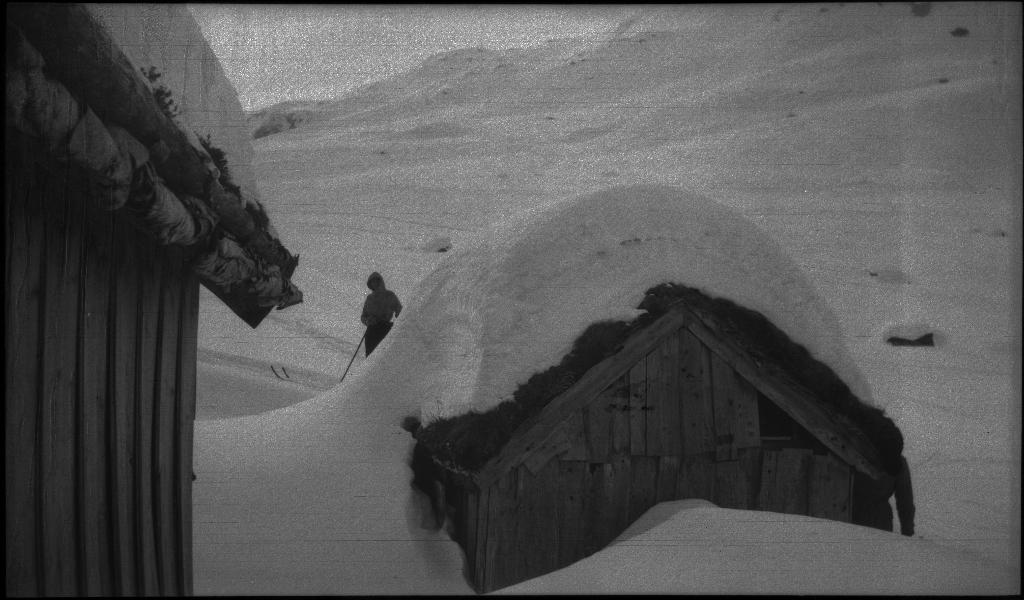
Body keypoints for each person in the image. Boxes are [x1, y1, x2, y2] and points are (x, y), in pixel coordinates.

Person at [360, 271, 402, 357]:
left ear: (380, 282)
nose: (375, 284)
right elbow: (363, 316)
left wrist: (399, 325)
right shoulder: (370, 299)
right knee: (370, 355)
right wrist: (368, 320)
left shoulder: (390, 295)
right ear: (370, 285)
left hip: (385, 329)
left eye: (376, 282)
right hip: (372, 330)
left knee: (384, 355)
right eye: (372, 282)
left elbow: (400, 311)